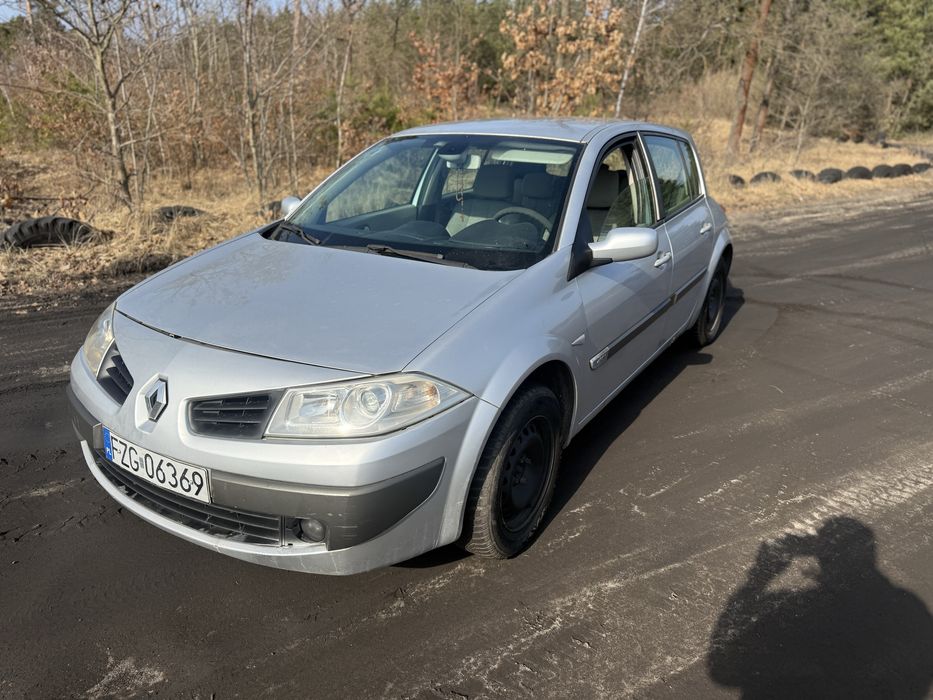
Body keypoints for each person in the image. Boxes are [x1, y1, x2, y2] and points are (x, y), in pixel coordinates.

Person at [708, 516, 933, 699]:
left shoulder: (801, 614)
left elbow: (723, 668)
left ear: (823, 560)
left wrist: (757, 579)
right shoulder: (908, 609)